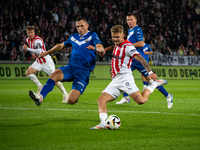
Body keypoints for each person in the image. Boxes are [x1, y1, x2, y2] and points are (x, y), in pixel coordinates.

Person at [90, 25, 168, 129]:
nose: (115, 39)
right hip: (115, 80)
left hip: (125, 78)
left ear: (123, 35)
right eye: (113, 37)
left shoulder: (128, 46)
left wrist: (150, 72)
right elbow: (115, 46)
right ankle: (103, 123)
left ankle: (153, 85)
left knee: (141, 101)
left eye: (117, 37)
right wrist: (105, 49)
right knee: (101, 100)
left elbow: (140, 58)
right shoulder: (118, 44)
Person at [28, 17, 104, 106]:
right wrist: (46, 52)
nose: (80, 28)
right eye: (78, 26)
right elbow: (60, 46)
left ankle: (74, 96)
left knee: (71, 100)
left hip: (83, 72)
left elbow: (101, 48)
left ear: (87, 25)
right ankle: (40, 97)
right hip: (71, 67)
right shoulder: (73, 37)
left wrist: (95, 48)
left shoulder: (92, 35)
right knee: (54, 74)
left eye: (82, 26)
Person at [104, 13, 173, 109]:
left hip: (139, 60)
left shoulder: (137, 29)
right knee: (122, 76)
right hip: (132, 60)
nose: (129, 22)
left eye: (131, 19)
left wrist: (128, 46)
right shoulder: (130, 31)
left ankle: (168, 95)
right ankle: (126, 97)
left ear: (136, 20)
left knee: (151, 81)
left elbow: (141, 43)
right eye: (128, 20)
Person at [23, 26, 68, 103]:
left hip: (46, 62)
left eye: (31, 32)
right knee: (28, 72)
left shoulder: (37, 40)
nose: (30, 34)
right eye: (28, 33)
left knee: (55, 80)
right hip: (39, 61)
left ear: (34, 32)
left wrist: (27, 49)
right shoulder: (28, 40)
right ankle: (40, 86)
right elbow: (36, 51)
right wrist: (33, 53)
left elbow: (39, 51)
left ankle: (65, 94)